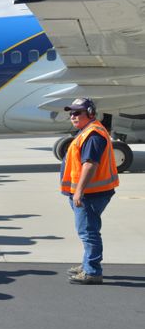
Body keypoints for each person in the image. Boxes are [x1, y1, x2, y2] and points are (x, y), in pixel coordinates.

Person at [60, 98, 119, 285]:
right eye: (71, 113)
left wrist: (79, 191)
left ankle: (92, 271)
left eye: (78, 112)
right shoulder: (88, 132)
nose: (73, 116)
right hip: (92, 192)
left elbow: (90, 165)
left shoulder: (93, 135)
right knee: (88, 229)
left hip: (90, 194)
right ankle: (87, 264)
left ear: (90, 113)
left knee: (88, 232)